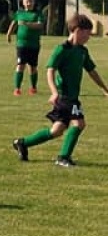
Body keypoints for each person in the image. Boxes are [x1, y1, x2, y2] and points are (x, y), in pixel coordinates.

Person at [12, 12, 108, 167]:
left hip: (72, 97)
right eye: (87, 34)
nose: (88, 38)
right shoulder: (62, 49)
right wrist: (54, 91)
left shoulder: (82, 51)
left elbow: (92, 71)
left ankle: (23, 143)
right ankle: (63, 157)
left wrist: (105, 88)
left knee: (56, 131)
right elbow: (50, 70)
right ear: (77, 30)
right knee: (79, 124)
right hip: (64, 97)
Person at [6, 0, 44, 96]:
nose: (29, 3)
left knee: (32, 67)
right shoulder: (19, 13)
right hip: (21, 44)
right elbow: (14, 23)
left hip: (34, 45)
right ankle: (17, 89)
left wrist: (28, 24)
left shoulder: (37, 14)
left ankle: (33, 88)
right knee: (20, 65)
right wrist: (9, 34)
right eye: (27, 1)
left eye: (30, 1)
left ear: (34, 2)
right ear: (23, 2)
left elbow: (40, 25)